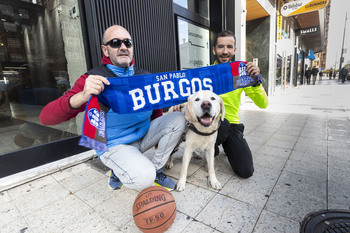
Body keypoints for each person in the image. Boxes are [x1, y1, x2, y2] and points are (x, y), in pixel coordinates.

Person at [40, 25, 186, 191]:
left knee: (179, 118)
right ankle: (118, 169)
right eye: (116, 43)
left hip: (142, 136)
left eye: (127, 43)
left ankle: (156, 168)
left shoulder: (144, 76)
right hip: (115, 145)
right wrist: (82, 95)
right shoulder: (93, 79)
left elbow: (156, 110)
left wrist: (160, 140)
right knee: (144, 179)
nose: (123, 47)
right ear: (105, 50)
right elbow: (46, 117)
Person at [211, 30, 268, 178]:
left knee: (245, 171)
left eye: (229, 47)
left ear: (234, 50)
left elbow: (263, 104)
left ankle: (221, 145)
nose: (225, 51)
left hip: (231, 124)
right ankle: (212, 148)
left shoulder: (242, 73)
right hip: (209, 123)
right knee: (219, 126)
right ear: (213, 50)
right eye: (220, 47)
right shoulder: (205, 73)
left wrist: (256, 82)